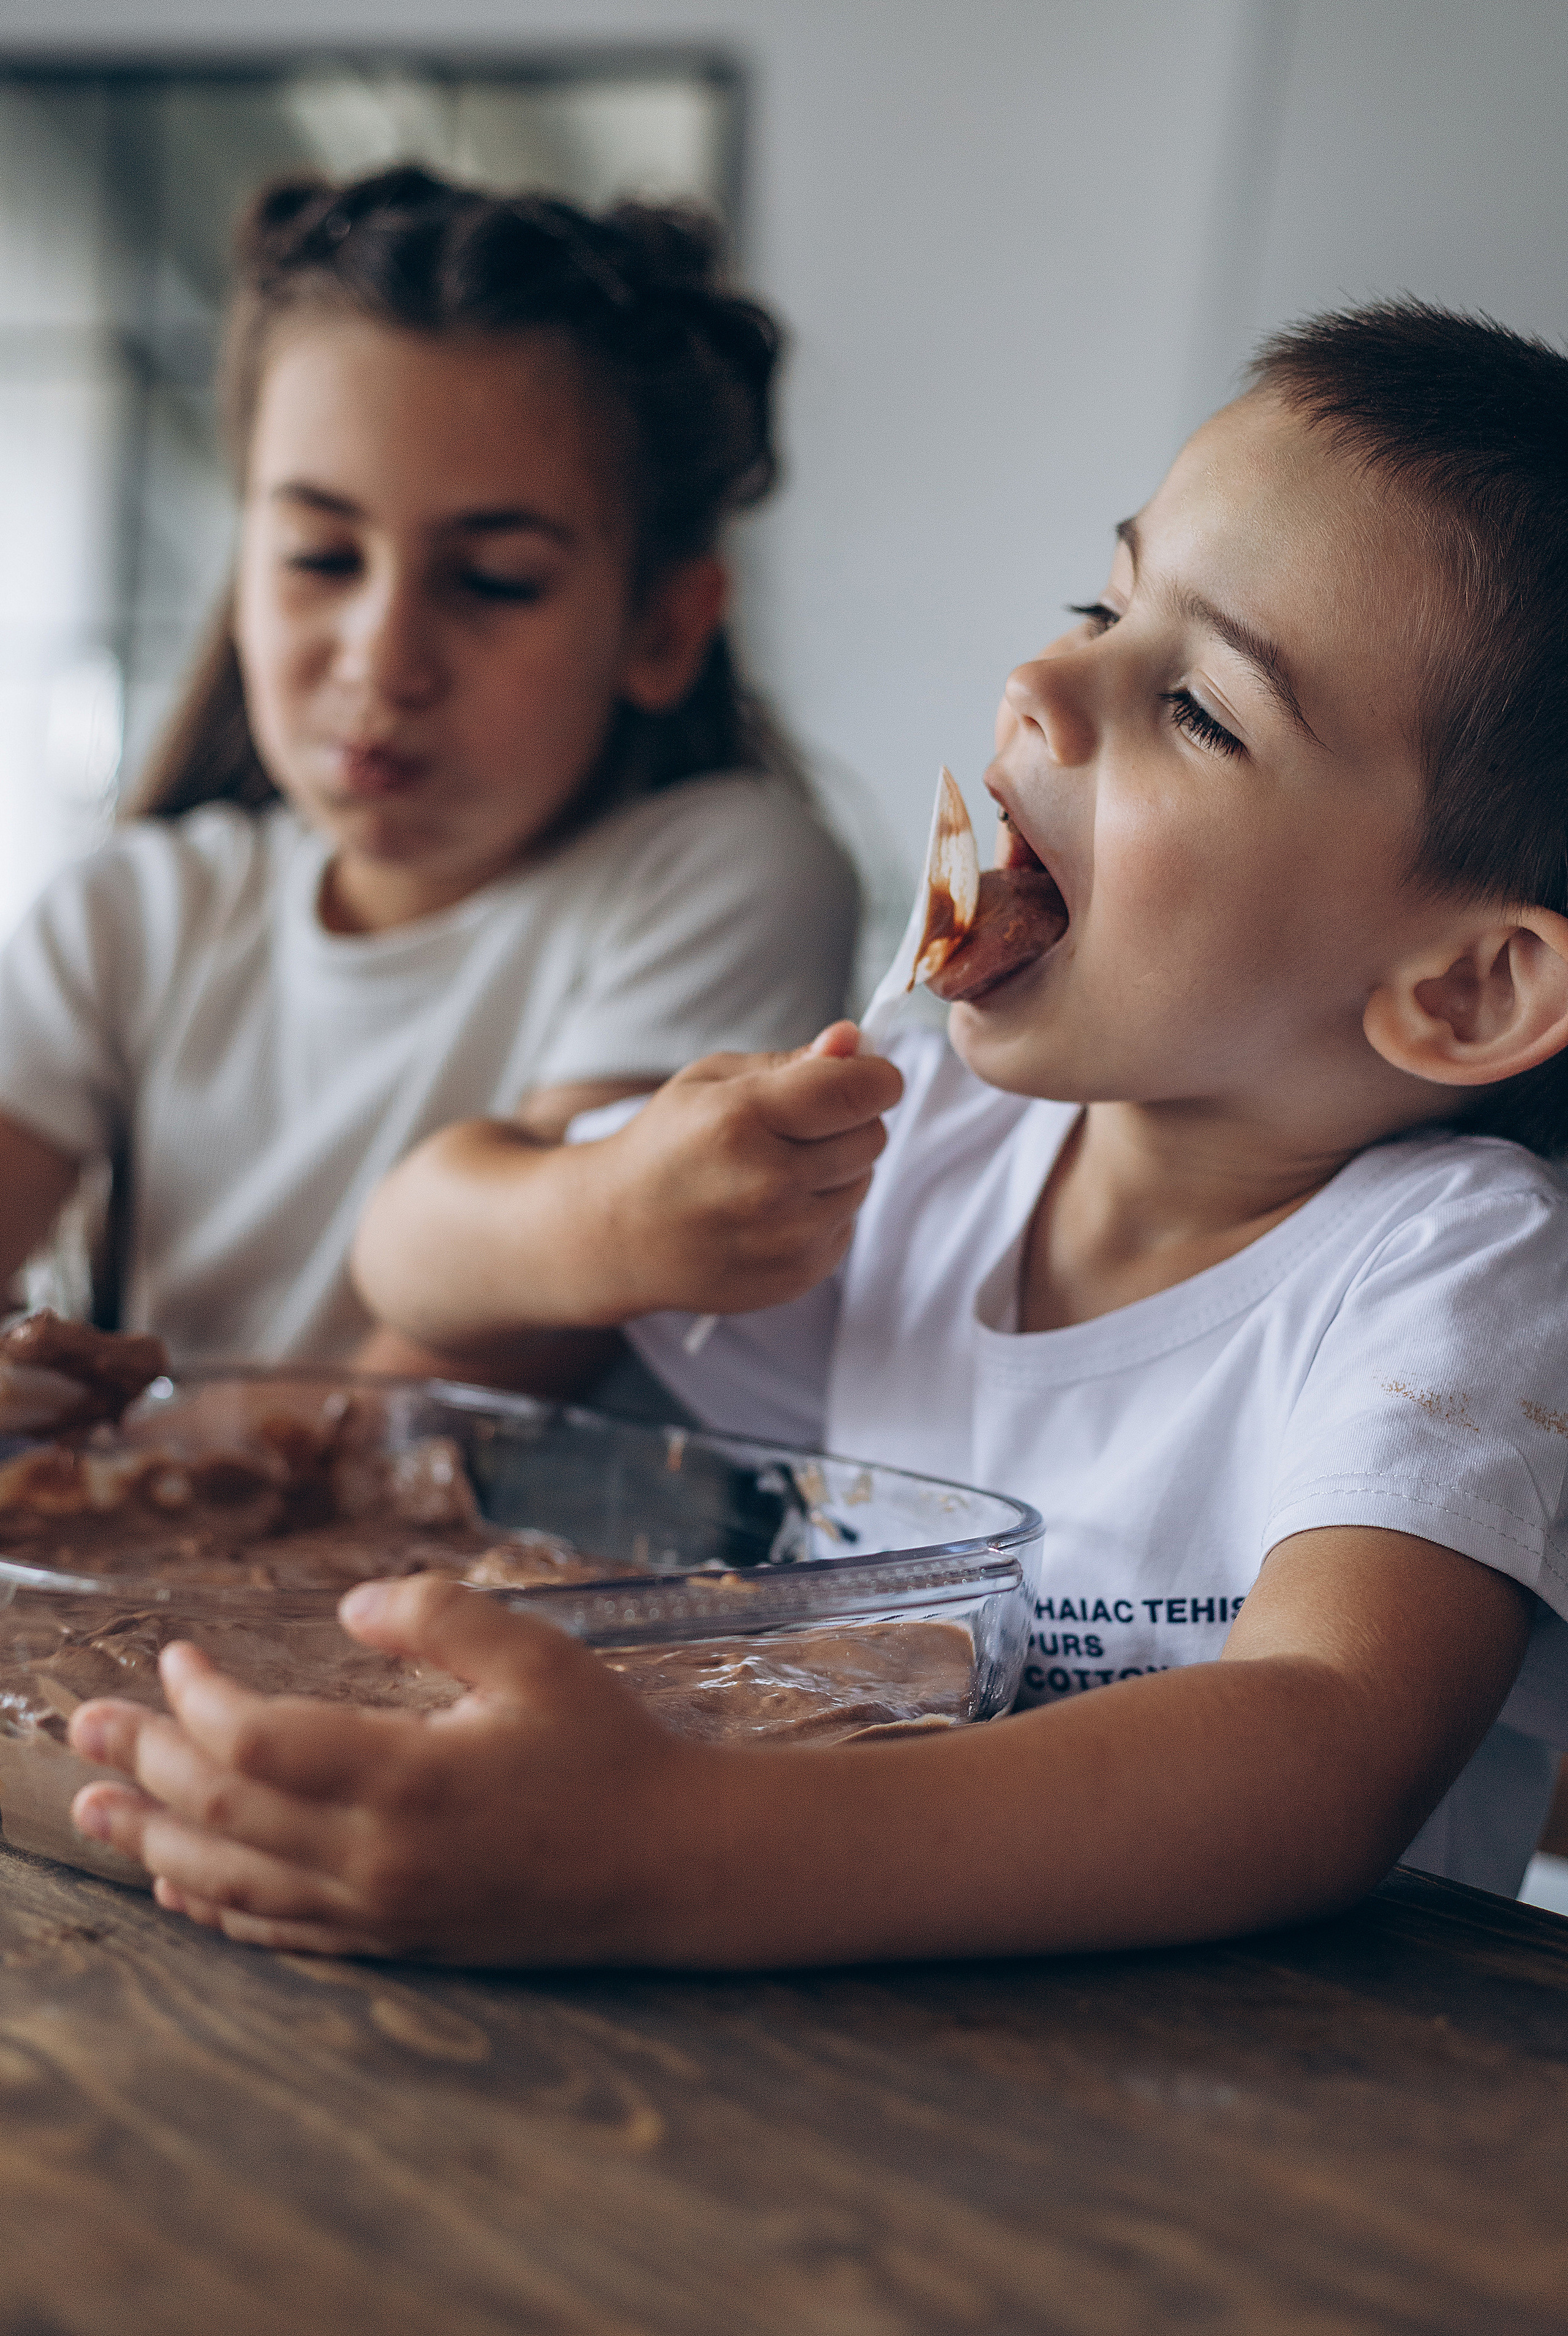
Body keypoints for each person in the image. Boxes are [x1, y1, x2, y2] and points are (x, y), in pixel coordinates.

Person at [67, 301, 1568, 1967]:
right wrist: (605, 1217)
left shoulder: (1465, 1268)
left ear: (1470, 989)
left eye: (1202, 710)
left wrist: (659, 1850)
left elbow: (1325, 1746)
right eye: (1104, 602)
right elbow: (412, 1239)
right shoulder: (918, 1150)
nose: (1042, 680)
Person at [0, 167, 858, 1376]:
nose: (384, 659)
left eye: (493, 581)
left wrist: (136, 1459)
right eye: (318, 556)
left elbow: (476, 1374)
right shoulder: (125, 918)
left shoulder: (720, 873)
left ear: (663, 628)